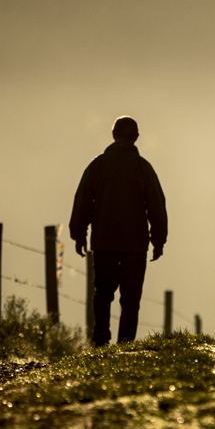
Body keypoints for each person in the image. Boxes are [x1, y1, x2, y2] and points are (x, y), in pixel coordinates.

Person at [69, 116, 167, 346]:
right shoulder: (143, 168)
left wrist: (79, 234)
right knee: (131, 297)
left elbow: (83, 201)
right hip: (135, 243)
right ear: (136, 137)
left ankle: (101, 339)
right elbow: (156, 206)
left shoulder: (98, 166)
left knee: (103, 292)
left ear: (113, 135)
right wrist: (158, 241)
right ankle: (125, 344)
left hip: (104, 241)